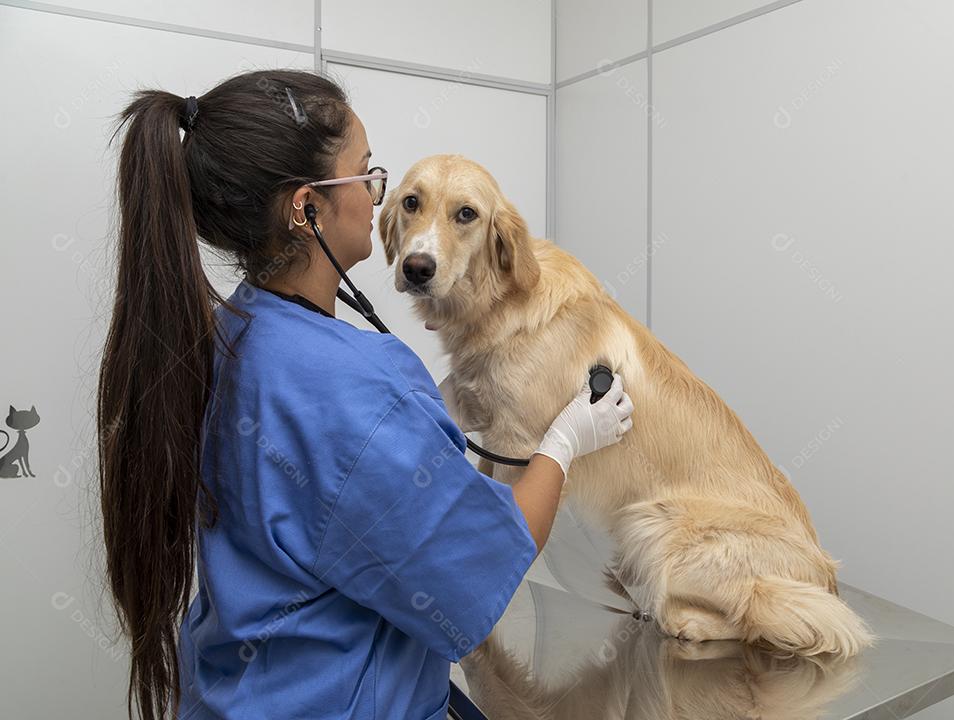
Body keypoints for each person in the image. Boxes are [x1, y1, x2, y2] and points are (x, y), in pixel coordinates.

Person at [96, 69, 634, 720]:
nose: (378, 198)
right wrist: (568, 439)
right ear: (307, 207)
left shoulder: (230, 332)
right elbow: (481, 568)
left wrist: (424, 413)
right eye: (367, 174)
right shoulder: (358, 383)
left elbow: (328, 486)